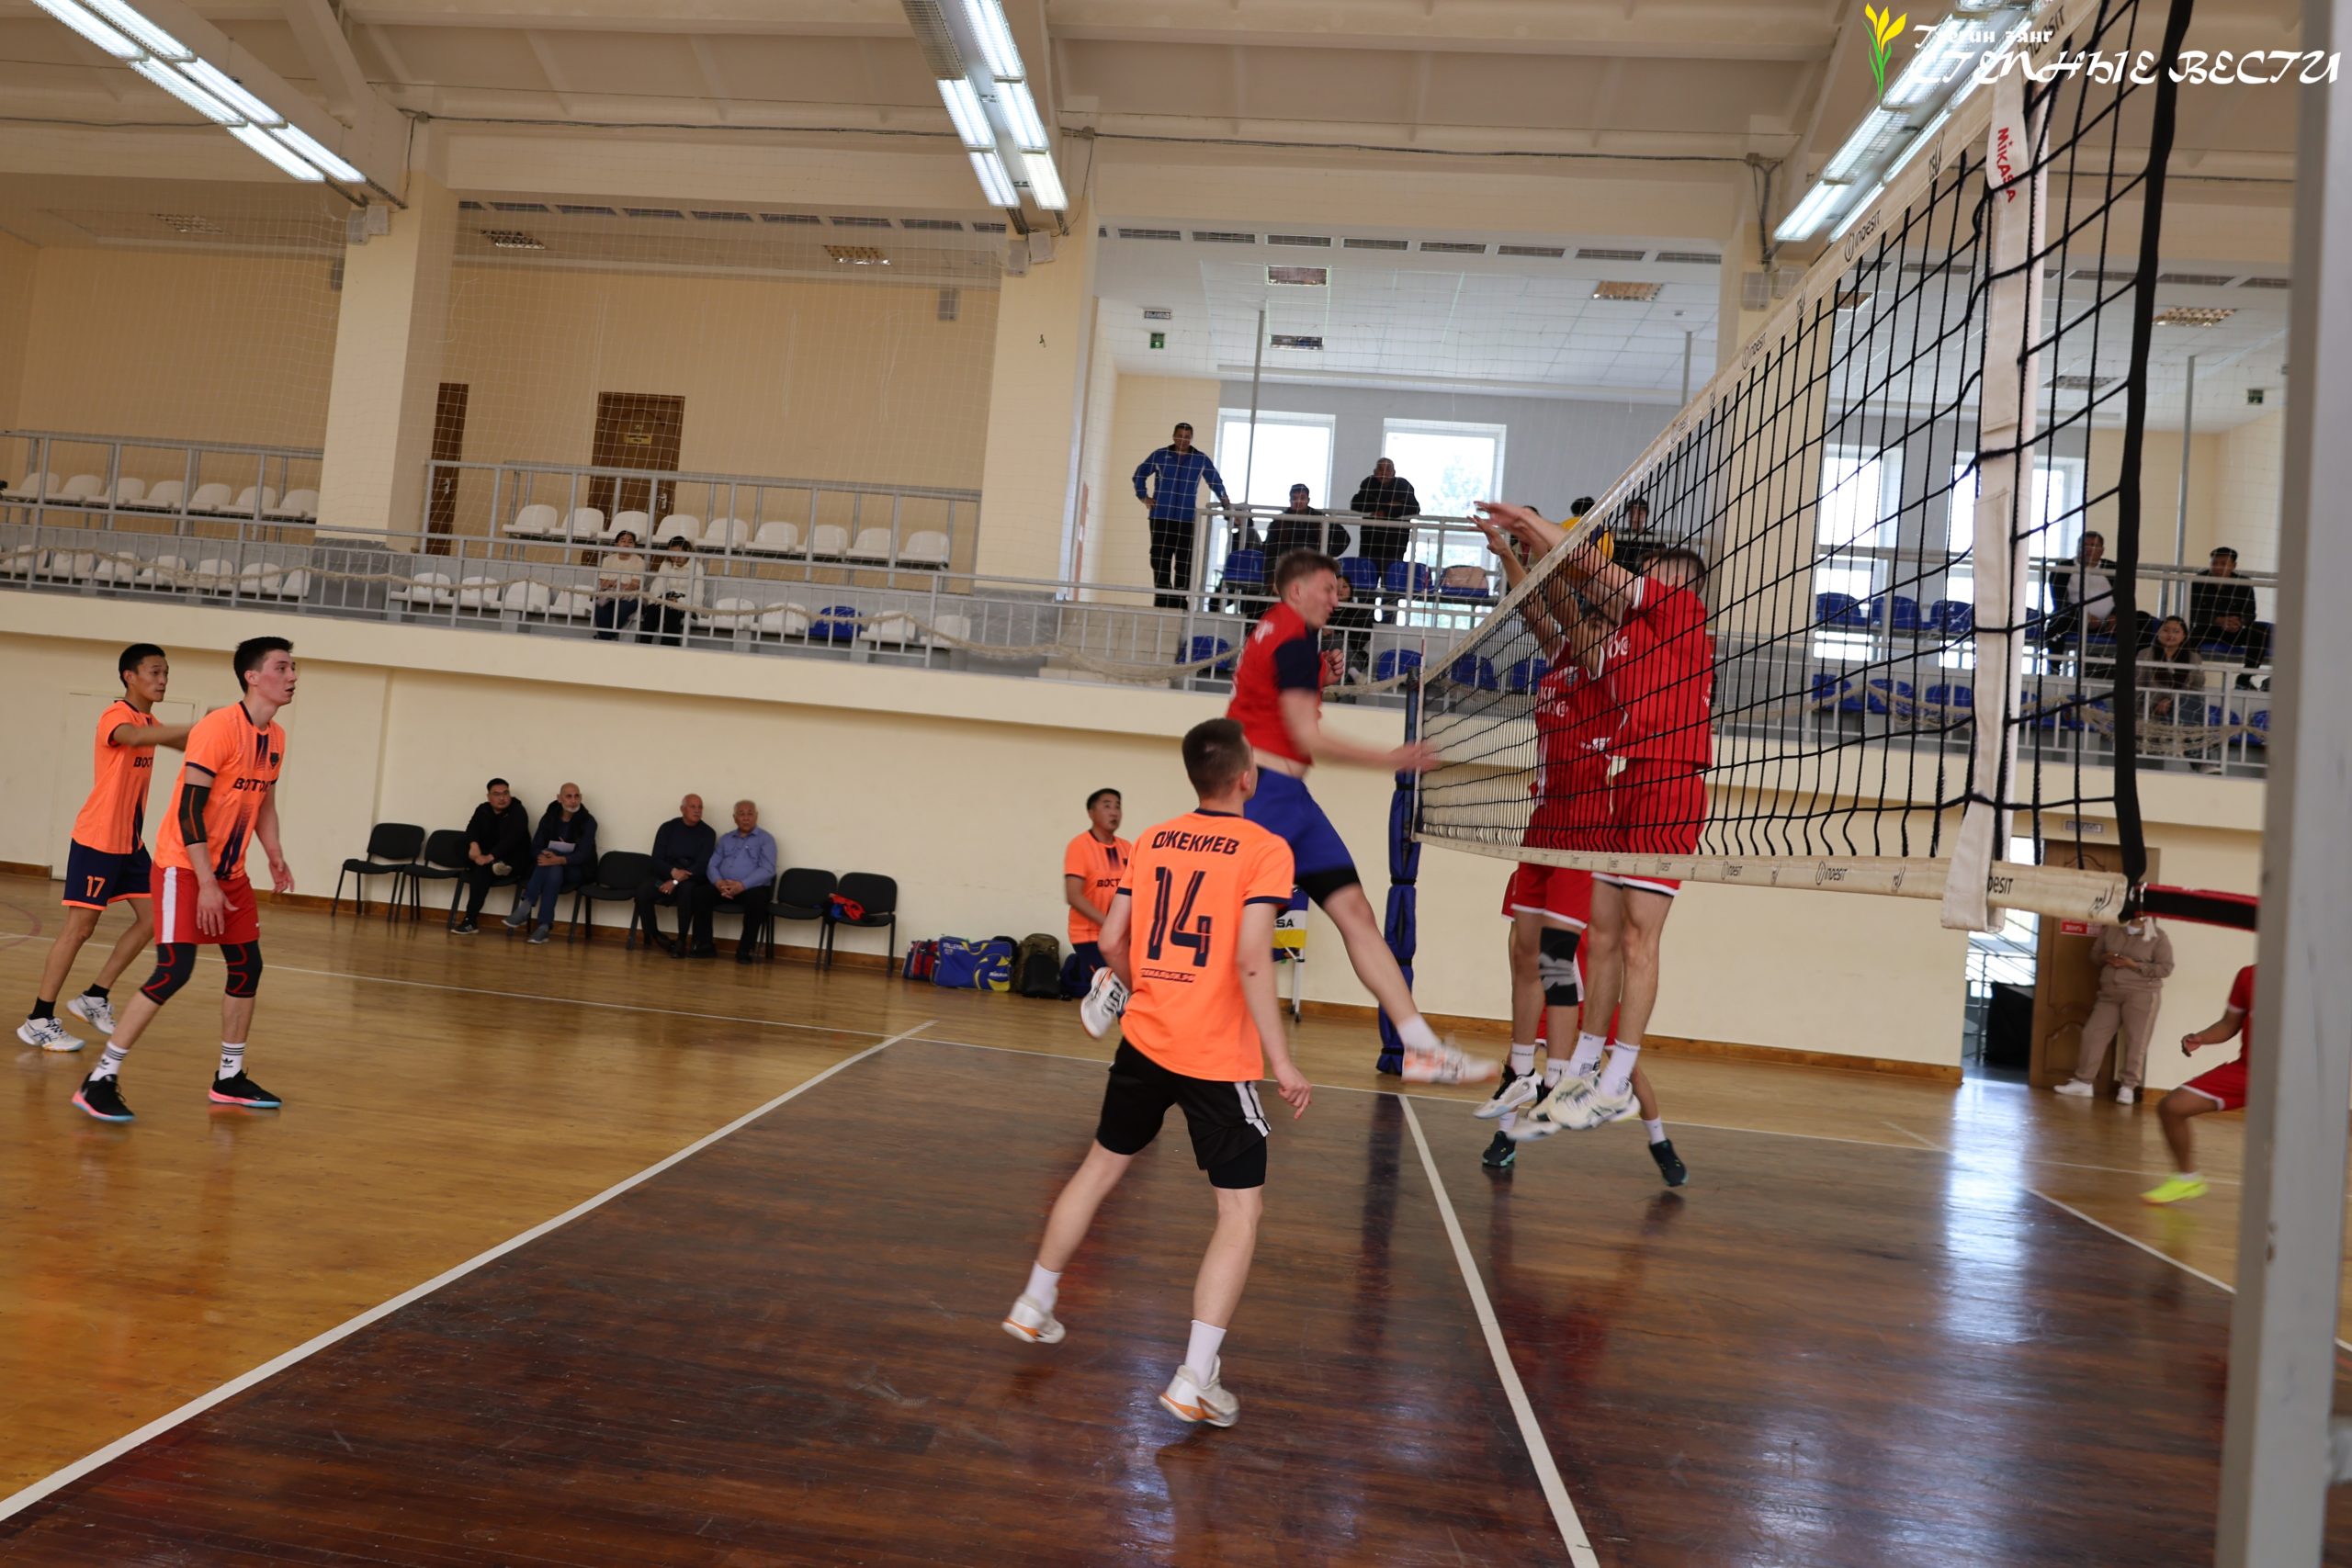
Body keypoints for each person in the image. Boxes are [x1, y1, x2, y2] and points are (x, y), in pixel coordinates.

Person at [1002, 717, 1311, 1431]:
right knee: (1240, 1212)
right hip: (1215, 1058)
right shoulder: (1266, 848)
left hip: (1145, 1039)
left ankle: (1034, 1301)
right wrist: (1284, 1059)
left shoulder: (1153, 840)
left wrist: (1140, 985)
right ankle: (1195, 1375)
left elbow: (1112, 938)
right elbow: (1253, 958)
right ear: (1245, 777)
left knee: (1099, 1168)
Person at [1197, 547, 1490, 1085]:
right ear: (1296, 591)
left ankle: (1420, 1047)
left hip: (1292, 801)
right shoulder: (1291, 638)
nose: (1337, 598)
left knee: (1357, 914)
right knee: (1217, 924)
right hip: (1261, 798)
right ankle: (1121, 981)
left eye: (1339, 589)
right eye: (1328, 589)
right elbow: (1307, 736)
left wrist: (1319, 678)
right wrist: (1391, 758)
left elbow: (1271, 698)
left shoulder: (1281, 632)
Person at [1480, 502, 1715, 1137]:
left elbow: (1591, 574)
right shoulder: (1615, 646)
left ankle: (1593, 1081)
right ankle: (1558, 1071)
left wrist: (1532, 528)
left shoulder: (1678, 616)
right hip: (1588, 804)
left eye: (1654, 571)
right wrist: (1520, 554)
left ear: (1679, 588)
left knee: (1589, 949)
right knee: (1559, 945)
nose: (1641, 577)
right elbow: (1553, 603)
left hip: (1632, 799)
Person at [71, 637, 296, 1123]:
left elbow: (264, 802)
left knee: (247, 967)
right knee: (173, 970)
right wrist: (206, 883)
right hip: (184, 867)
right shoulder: (219, 728)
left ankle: (229, 1078)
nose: (292, 676)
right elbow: (189, 810)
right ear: (253, 677)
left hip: (230, 873)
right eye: (282, 667)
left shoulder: (276, 736)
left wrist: (275, 854)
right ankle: (99, 1079)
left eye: (292, 667)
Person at [19, 644, 193, 1052]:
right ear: (129, 676)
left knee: (154, 917)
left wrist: (224, 729)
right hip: (98, 839)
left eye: (166, 673)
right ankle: (39, 1019)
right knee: (80, 929)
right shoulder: (117, 715)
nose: (163, 680)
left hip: (130, 843)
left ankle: (94, 996)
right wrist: (195, 727)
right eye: (155, 672)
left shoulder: (149, 721)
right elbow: (133, 737)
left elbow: (184, 743)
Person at [2144, 963, 2257, 1205]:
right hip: (2249, 1071)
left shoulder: (2320, 978)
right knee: (2173, 1106)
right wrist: (2202, 1038)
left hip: (2298, 1077)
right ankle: (2187, 1179)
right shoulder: (2249, 975)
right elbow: (2229, 1023)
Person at [2055, 915, 2173, 1104]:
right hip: (2109, 994)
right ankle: (2084, 1082)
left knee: (2137, 1042)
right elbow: (2095, 956)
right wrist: (2106, 957)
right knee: (2092, 1034)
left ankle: (2128, 1087)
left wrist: (2133, 964)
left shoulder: (2158, 936)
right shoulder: (2111, 929)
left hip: (2141, 995)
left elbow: (2166, 969)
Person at [1133, 423, 1231, 611]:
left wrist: (1225, 501)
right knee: (1160, 559)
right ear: (1173, 436)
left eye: (1187, 437)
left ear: (1191, 439)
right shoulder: (1160, 455)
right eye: (1180, 436)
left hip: (1186, 519)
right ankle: (1163, 598)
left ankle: (1179, 599)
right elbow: (1139, 474)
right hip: (1161, 517)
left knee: (1184, 561)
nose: (1183, 440)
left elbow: (1215, 481)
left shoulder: (1200, 459)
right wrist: (1143, 496)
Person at [686, 799, 775, 963]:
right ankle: (705, 945)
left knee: (758, 900)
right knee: (700, 893)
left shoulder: (766, 839)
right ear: (734, 818)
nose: (746, 818)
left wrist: (742, 885)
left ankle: (745, 950)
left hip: (751, 888)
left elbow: (768, 870)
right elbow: (712, 865)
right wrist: (718, 883)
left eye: (750, 814)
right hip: (724, 886)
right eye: (741, 814)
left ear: (756, 816)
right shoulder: (726, 839)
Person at [507, 784, 596, 944]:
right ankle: (543, 926)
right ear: (559, 798)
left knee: (552, 865)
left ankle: (526, 906)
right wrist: (547, 855)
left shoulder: (588, 821)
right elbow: (535, 847)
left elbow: (583, 855)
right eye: (568, 796)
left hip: (576, 869)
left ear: (581, 798)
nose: (573, 800)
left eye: (577, 796)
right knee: (553, 868)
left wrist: (559, 858)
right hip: (551, 867)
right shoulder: (549, 818)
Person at [1062, 787, 1131, 987]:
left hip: (1122, 936)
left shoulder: (1127, 848)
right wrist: (1109, 923)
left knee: (1130, 990)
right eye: (1107, 806)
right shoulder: (1079, 846)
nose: (1114, 812)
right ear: (1091, 813)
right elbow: (1073, 895)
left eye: (1117, 807)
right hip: (1089, 937)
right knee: (1111, 988)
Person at [637, 793, 717, 954]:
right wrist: (672, 873)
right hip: (664, 879)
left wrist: (675, 881)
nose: (697, 810)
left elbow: (702, 864)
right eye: (693, 807)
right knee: (643, 890)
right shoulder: (667, 828)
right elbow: (656, 859)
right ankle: (655, 935)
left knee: (686, 892)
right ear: (682, 809)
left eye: (700, 807)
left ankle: (681, 939)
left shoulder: (708, 833)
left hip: (690, 879)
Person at [450, 776, 532, 934]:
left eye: (506, 793)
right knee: (460, 843)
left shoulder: (518, 811)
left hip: (512, 856)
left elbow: (512, 839)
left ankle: (470, 921)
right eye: (497, 794)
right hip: (487, 856)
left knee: (481, 871)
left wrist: (489, 857)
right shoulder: (483, 809)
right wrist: (474, 847)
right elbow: (472, 828)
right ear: (489, 797)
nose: (502, 798)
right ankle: (491, 865)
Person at [2188, 545, 2271, 676]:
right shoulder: (2198, 581)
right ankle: (2191, 676)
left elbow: (2250, 613)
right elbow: (2192, 613)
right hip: (2208, 629)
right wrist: (2218, 620)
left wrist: (2239, 622)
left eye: (2223, 564)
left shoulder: (2244, 583)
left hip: (2235, 631)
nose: (2218, 567)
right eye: (2214, 563)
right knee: (2190, 637)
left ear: (2233, 566)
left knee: (2260, 631)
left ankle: (2244, 679)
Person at [2135, 616, 2207, 764]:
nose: (2170, 635)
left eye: (2176, 631)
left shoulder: (2194, 658)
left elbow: (2197, 686)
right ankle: (2199, 762)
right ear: (2158, 632)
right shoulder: (2146, 654)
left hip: (2182, 709)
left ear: (2184, 636)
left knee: (2193, 702)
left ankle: (2198, 760)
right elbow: (2137, 685)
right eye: (2166, 630)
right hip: (2151, 708)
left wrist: (2172, 701)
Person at [2050, 530, 2120, 651]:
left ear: (2102, 551)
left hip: (2108, 623)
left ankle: (2133, 662)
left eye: (2093, 545)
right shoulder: (2062, 569)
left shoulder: (2113, 568)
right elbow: (2060, 603)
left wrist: (2115, 615)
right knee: (2056, 623)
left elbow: (2124, 598)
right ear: (2077, 547)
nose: (2088, 549)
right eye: (2084, 545)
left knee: (2142, 619)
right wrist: (2084, 616)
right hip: (2075, 620)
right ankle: (2054, 663)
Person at [1261, 486, 1348, 564]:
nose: (1298, 501)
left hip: (1315, 562)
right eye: (1294, 498)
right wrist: (1287, 554)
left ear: (1308, 500)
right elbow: (1269, 546)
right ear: (1290, 500)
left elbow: (1344, 538)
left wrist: (1325, 553)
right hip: (1287, 562)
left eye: (1302, 498)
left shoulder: (1320, 518)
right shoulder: (1279, 521)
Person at [639, 544, 701, 647]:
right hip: (665, 600)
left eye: (679, 554)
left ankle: (669, 647)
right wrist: (656, 600)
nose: (676, 558)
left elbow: (698, 592)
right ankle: (644, 645)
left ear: (687, 551)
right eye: (672, 554)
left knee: (671, 611)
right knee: (651, 610)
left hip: (686, 604)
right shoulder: (666, 564)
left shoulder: (697, 566)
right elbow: (658, 585)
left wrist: (679, 601)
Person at [594, 529, 645, 640]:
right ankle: (608, 638)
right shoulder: (608, 559)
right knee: (599, 608)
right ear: (617, 544)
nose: (626, 544)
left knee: (623, 609)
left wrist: (613, 583)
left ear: (634, 545)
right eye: (623, 540)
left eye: (630, 542)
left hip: (629, 597)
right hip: (609, 595)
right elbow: (603, 583)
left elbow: (634, 585)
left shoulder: (639, 561)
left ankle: (605, 638)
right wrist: (620, 584)